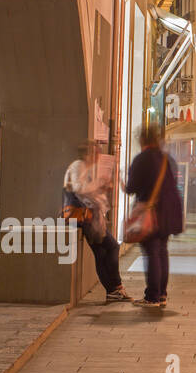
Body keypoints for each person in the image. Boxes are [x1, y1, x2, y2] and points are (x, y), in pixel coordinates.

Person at [124, 124, 184, 309]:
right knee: (162, 252)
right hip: (167, 213)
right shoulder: (167, 159)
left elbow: (131, 187)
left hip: (151, 213)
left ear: (142, 139)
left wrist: (121, 183)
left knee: (152, 253)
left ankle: (152, 296)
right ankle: (162, 294)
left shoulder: (142, 159)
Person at [63, 142, 130, 302]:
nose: (97, 157)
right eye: (95, 153)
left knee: (100, 253)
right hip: (84, 217)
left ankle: (112, 291)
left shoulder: (84, 167)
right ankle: (117, 286)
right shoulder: (78, 166)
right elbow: (80, 189)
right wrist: (100, 185)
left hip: (90, 216)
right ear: (87, 154)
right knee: (112, 246)